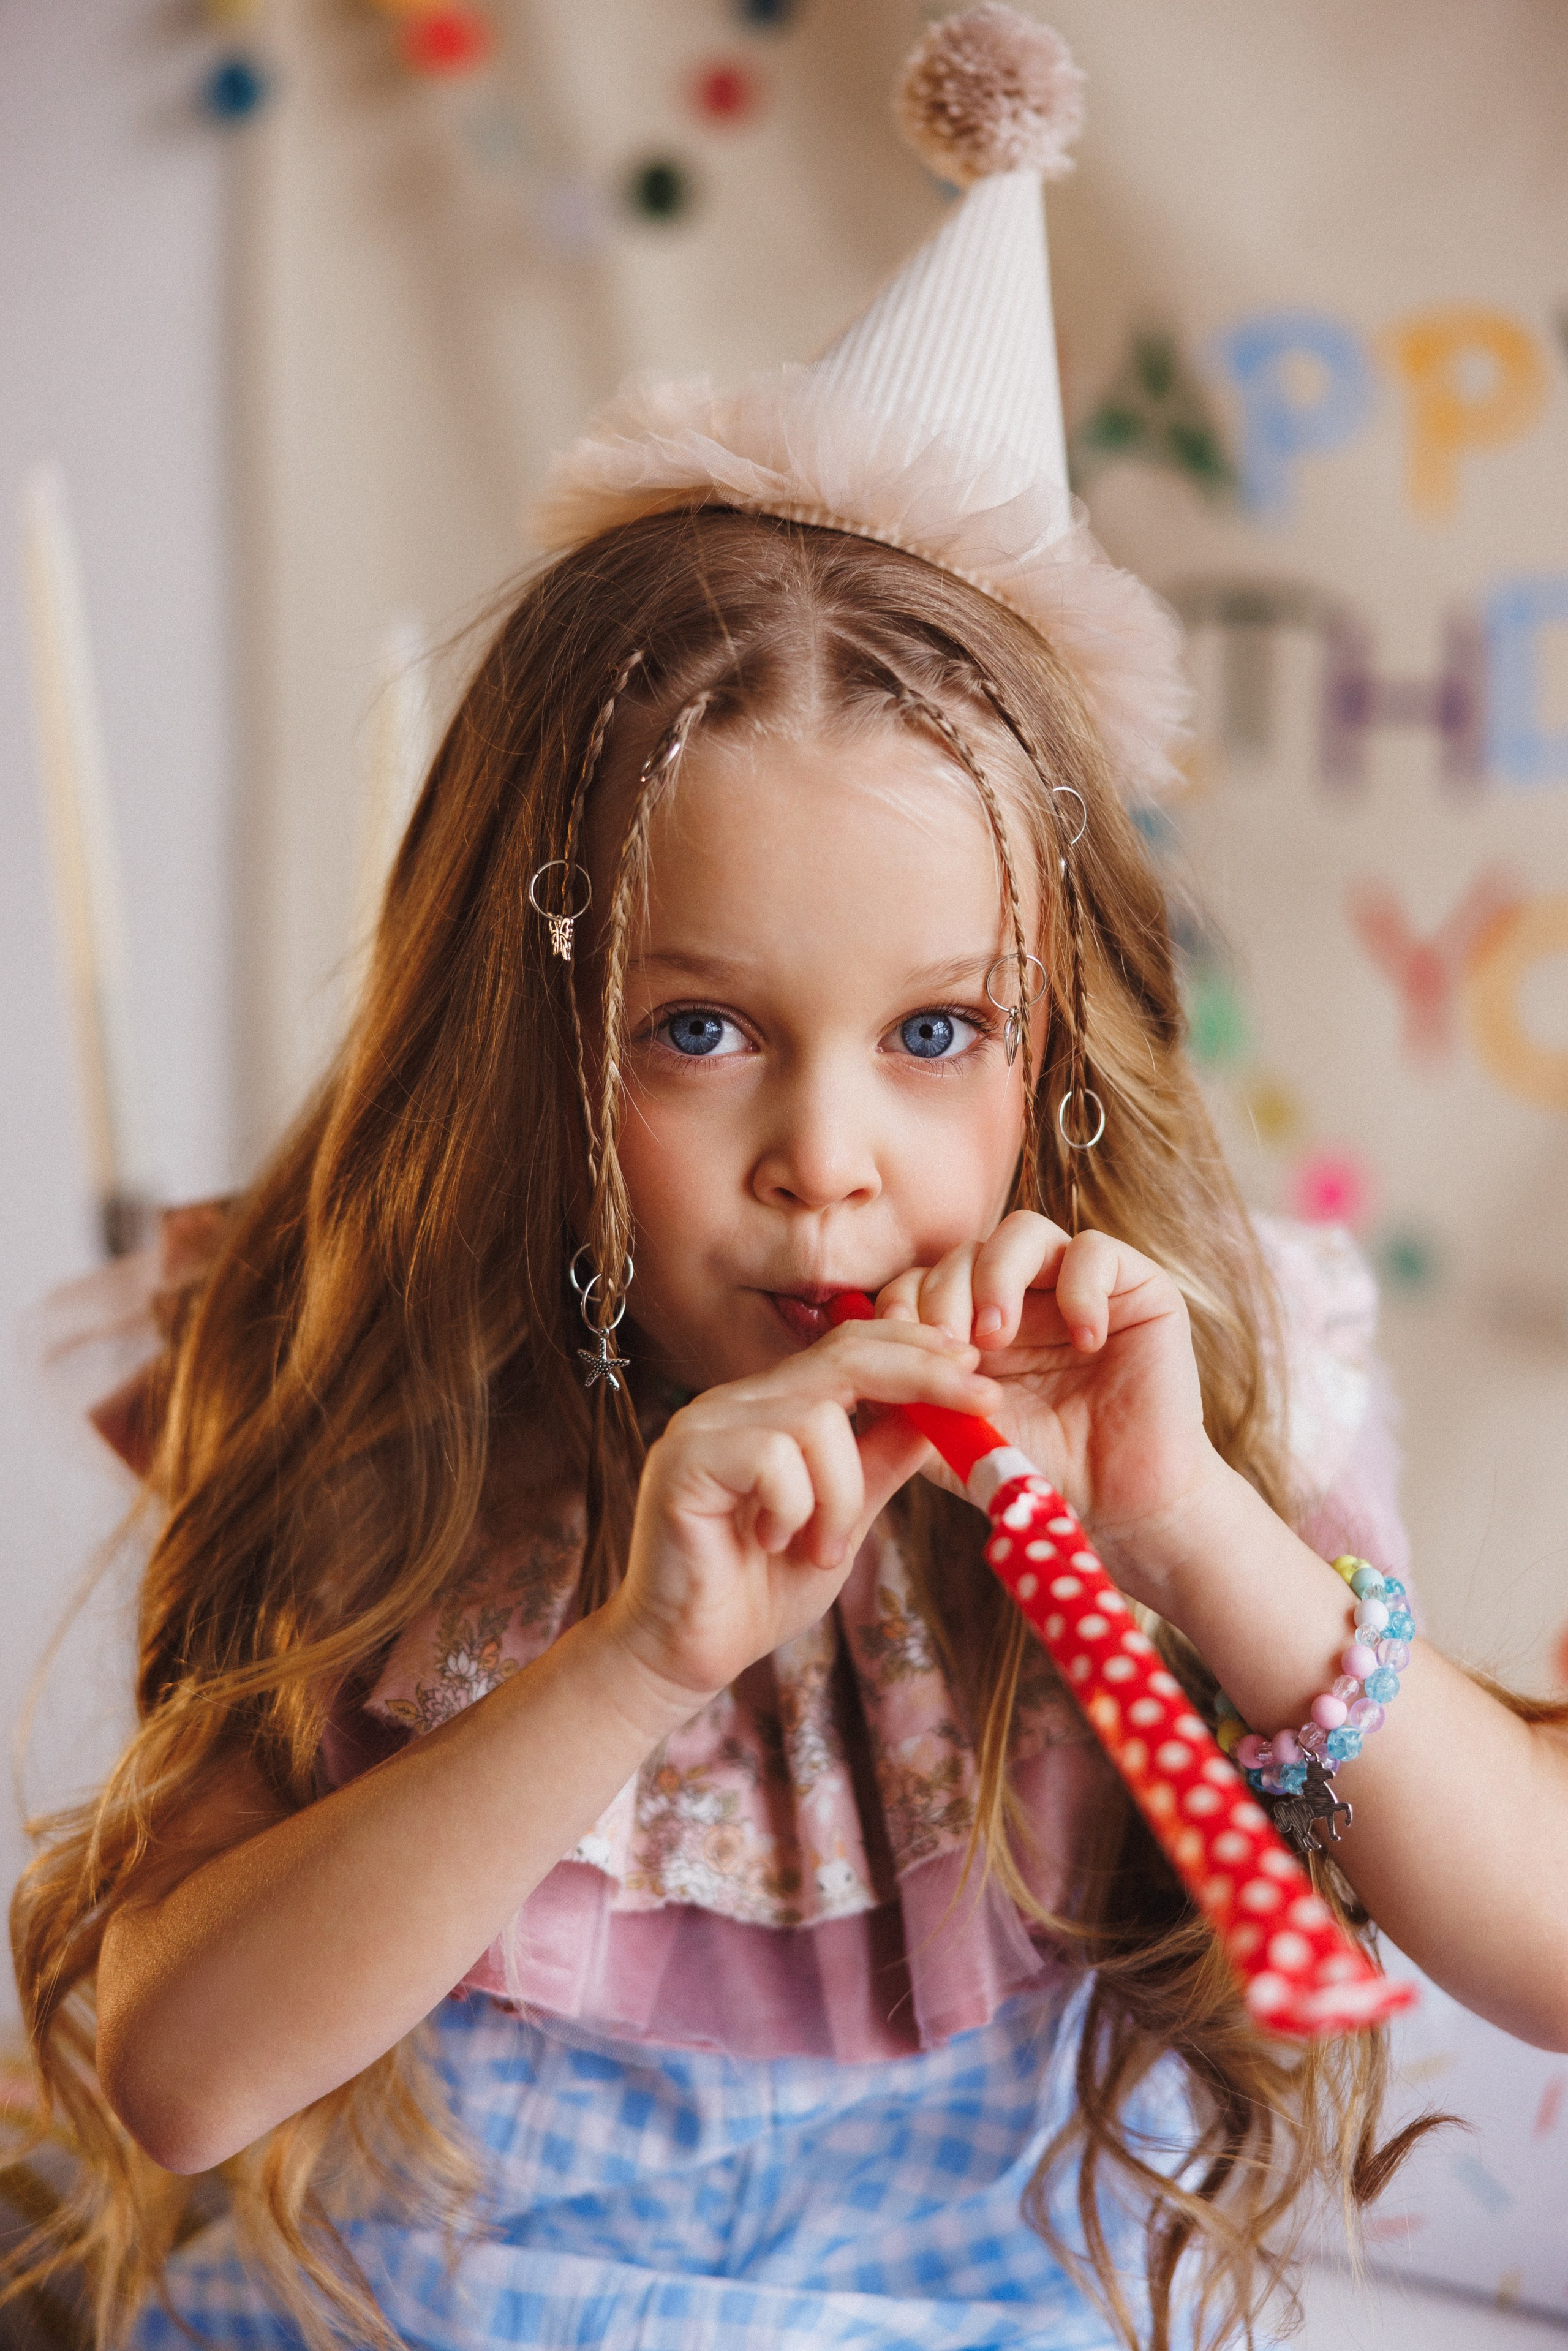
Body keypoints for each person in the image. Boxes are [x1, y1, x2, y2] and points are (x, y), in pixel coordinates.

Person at [10, 12, 1568, 2350]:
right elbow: (180, 2075)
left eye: (936, 1034)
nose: (829, 1166)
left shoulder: (1204, 1390)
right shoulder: (397, 1390)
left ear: (1055, 1040)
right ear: (531, 1033)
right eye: (700, 1030)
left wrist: (1194, 1535)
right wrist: (627, 1662)